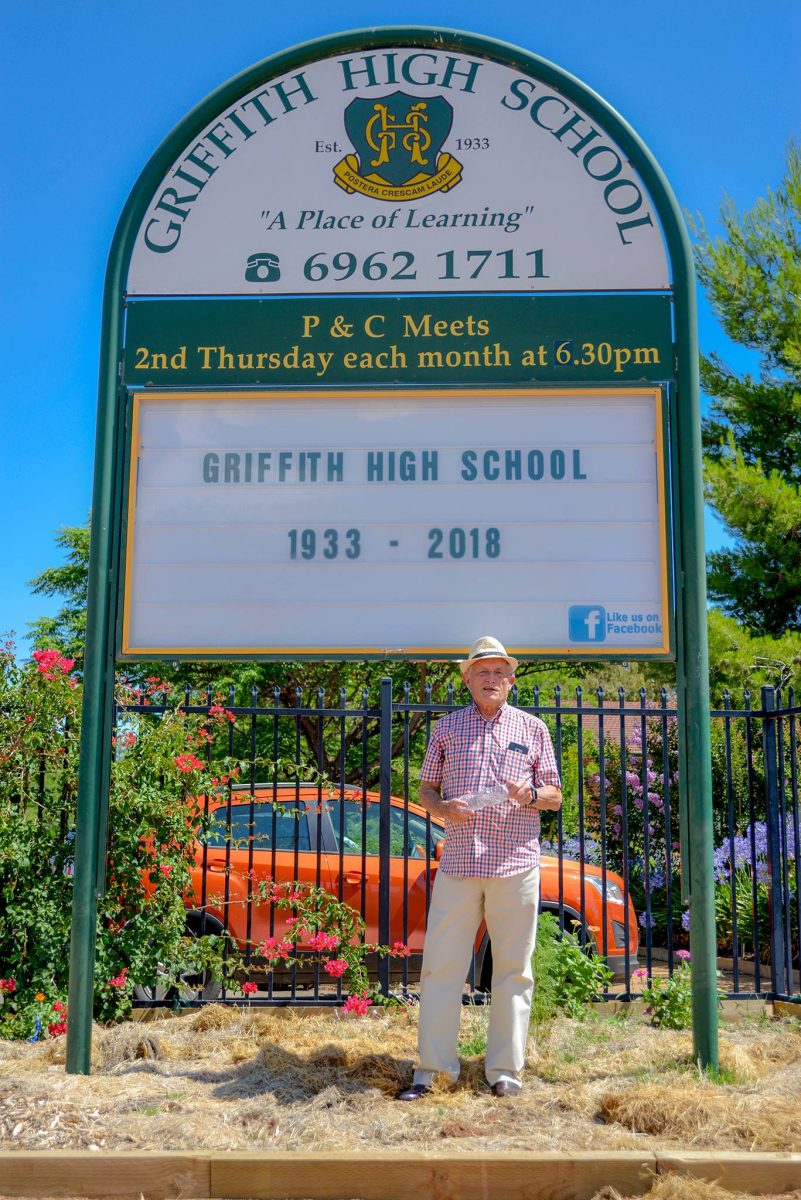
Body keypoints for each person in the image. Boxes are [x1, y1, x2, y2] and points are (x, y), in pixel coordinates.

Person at [397, 635, 562, 1101]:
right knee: (441, 967)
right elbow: (425, 790)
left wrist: (528, 795)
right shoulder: (446, 729)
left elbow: (555, 795)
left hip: (516, 863)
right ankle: (433, 1073)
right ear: (467, 679)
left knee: (513, 968)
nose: (491, 679)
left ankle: (505, 1070)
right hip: (460, 862)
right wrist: (442, 807)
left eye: (498, 672)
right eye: (481, 672)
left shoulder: (533, 730)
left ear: (511, 680)